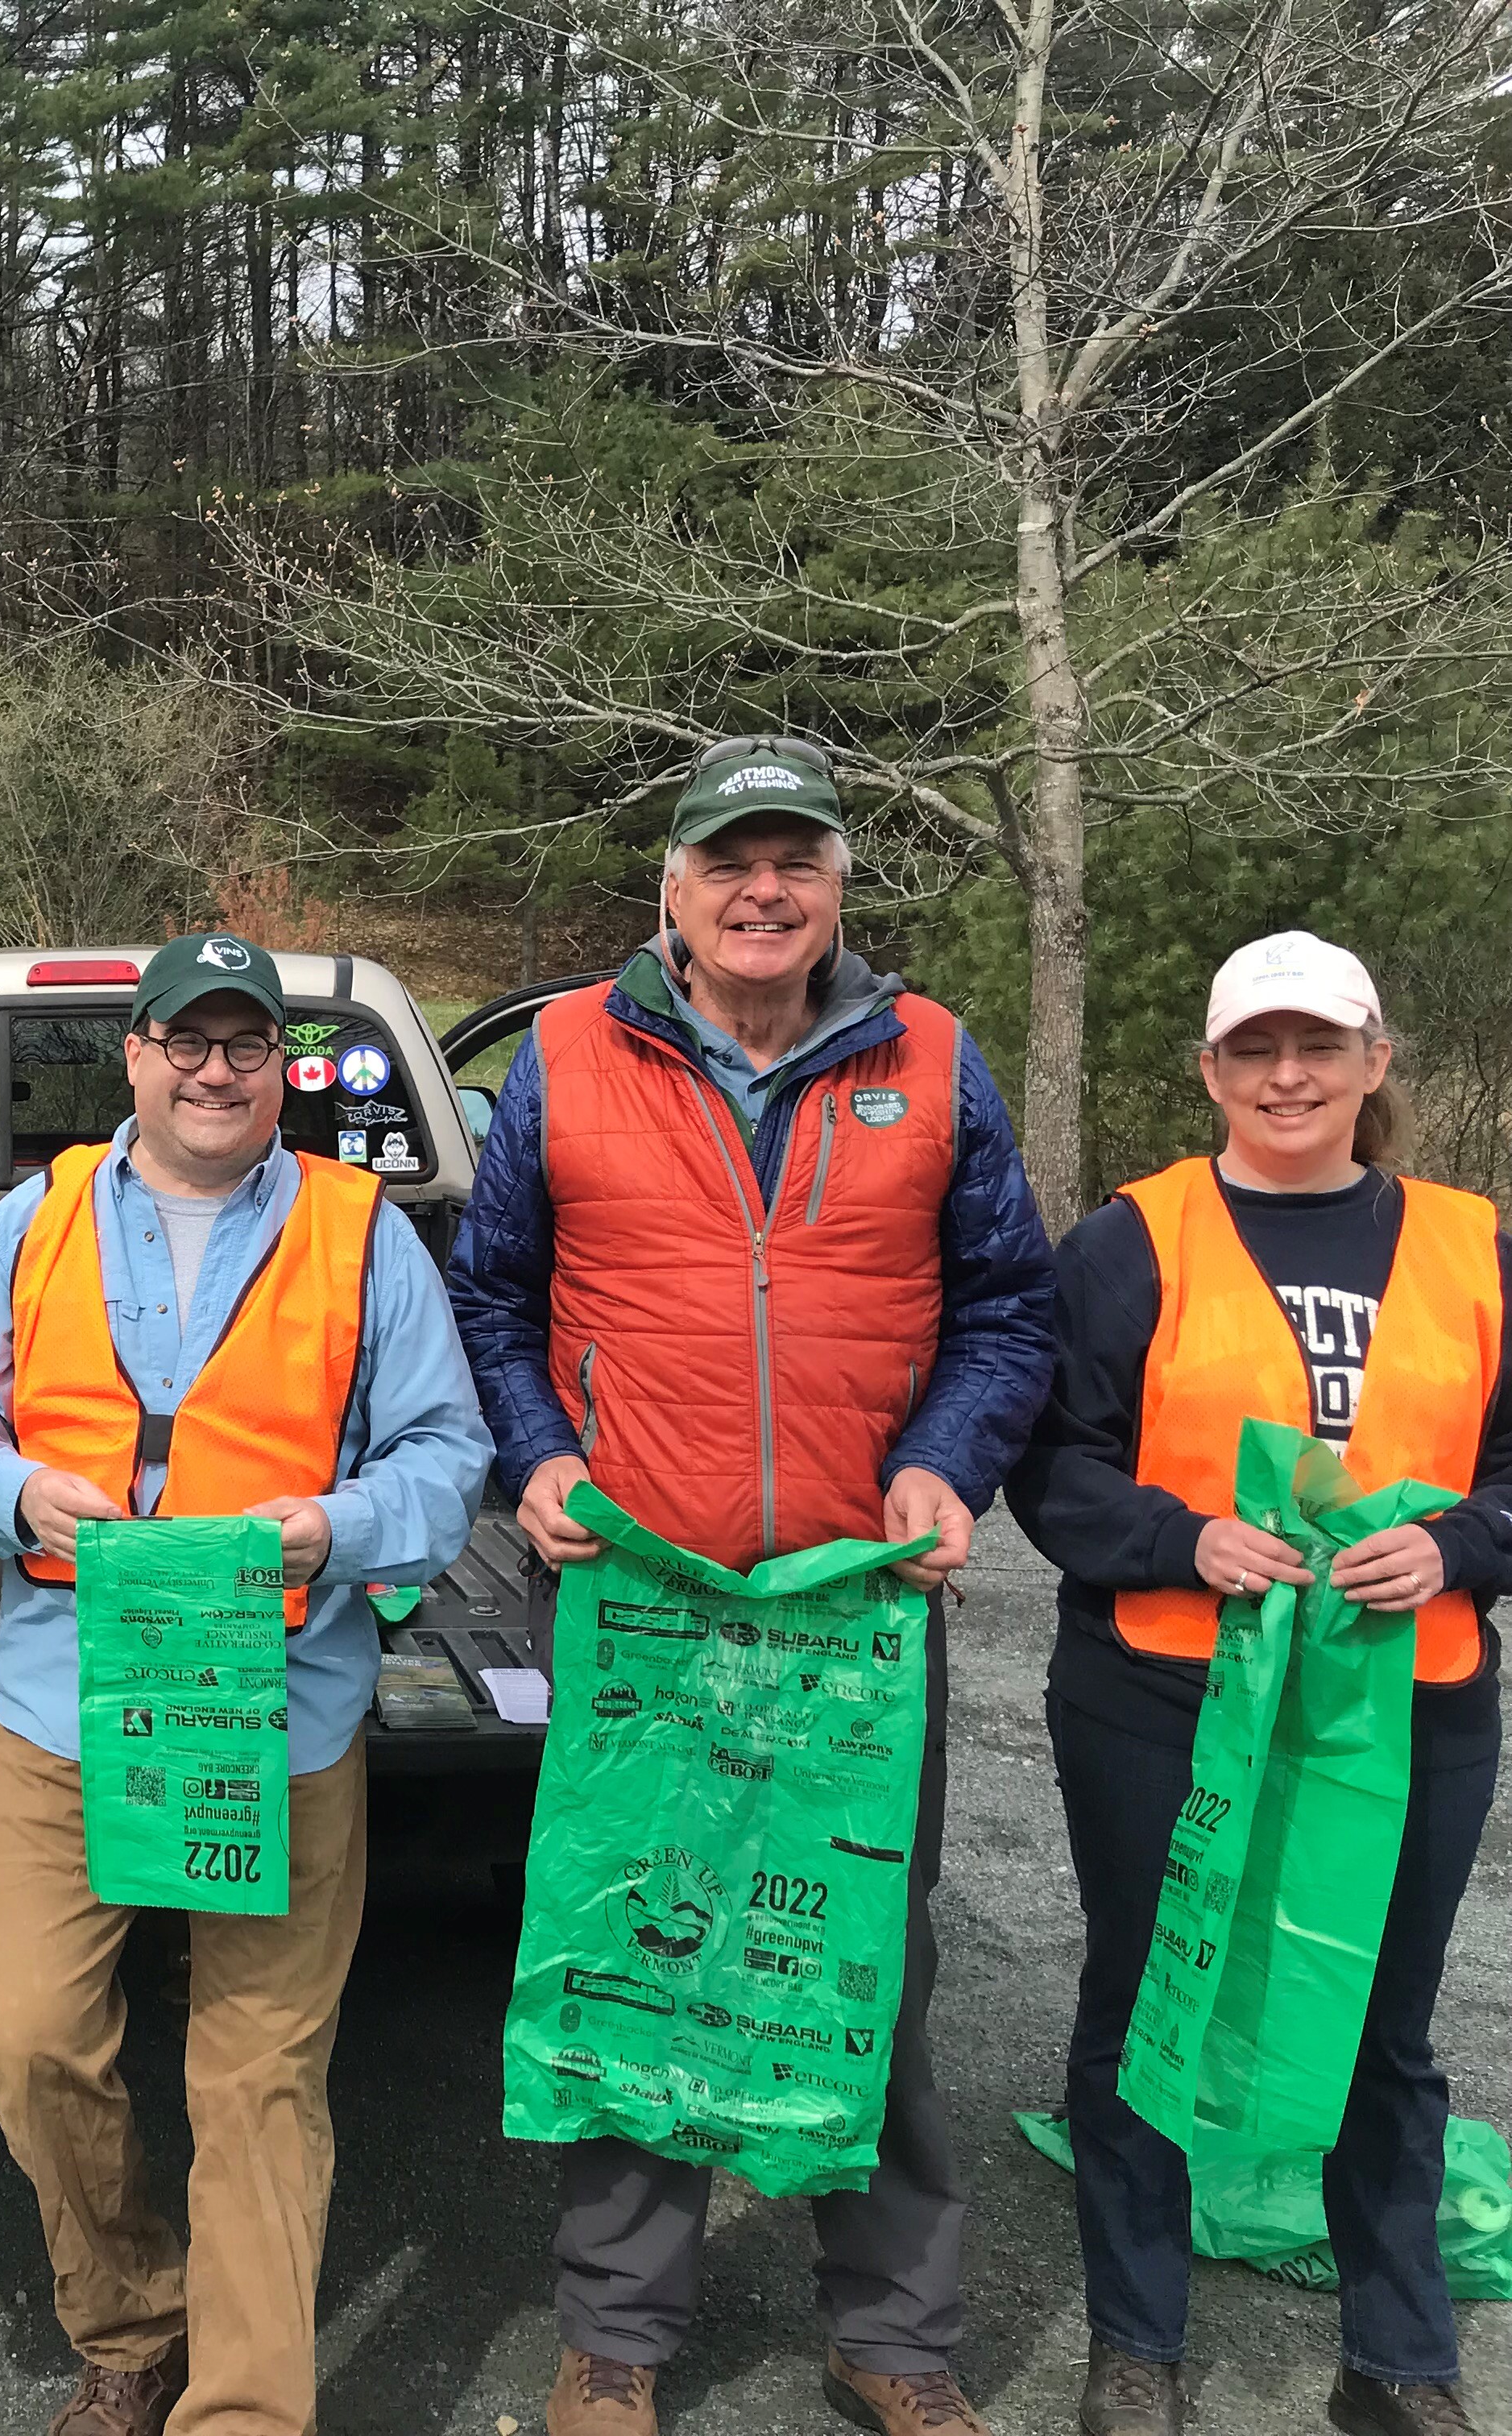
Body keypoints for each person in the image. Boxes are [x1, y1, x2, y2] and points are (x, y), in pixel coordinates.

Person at [447, 735, 1056, 2436]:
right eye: (730, 861)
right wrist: (538, 1457)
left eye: (794, 859)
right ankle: (620, 2337)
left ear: (839, 885)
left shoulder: (932, 1059)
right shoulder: (569, 1055)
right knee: (642, 1939)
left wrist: (950, 1461)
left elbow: (1009, 1308)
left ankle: (896, 2334)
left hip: (858, 1606)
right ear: (674, 890)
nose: (762, 890)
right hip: (649, 1596)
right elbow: (489, 1300)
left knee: (877, 1953)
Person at [0, 931, 493, 2436]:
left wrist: (339, 1524)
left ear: (279, 1069)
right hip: (62, 1703)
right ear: (137, 1057)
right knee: (27, 2042)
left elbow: (448, 1455)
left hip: (279, 1717)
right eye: (188, 1040)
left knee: (258, 2082)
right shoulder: (30, 1219)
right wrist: (18, 1492)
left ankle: (241, 2409)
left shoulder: (367, 1231)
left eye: (246, 1046)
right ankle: (127, 2315)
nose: (215, 1070)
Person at [1006, 932, 1512, 2436]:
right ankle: (1137, 2345)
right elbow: (1047, 1460)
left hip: (1407, 1702)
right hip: (1167, 1695)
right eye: (1254, 1051)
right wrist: (1183, 1538)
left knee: (1384, 2028)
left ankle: (1401, 2363)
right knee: (1150, 2008)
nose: (1287, 1078)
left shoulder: (1476, 1245)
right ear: (1211, 1072)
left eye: (1318, 1047)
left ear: (1376, 1061)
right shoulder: (1129, 1242)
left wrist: (1465, 1548)